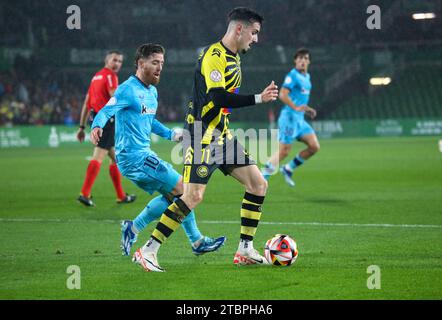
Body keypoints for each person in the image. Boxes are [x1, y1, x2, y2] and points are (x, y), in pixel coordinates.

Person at [133, 7, 279, 272]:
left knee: (258, 184)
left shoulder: (234, 58)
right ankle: (148, 250)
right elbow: (218, 97)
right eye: (254, 32)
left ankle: (245, 249)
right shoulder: (214, 56)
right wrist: (259, 98)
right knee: (193, 196)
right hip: (202, 137)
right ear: (239, 29)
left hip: (223, 136)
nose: (256, 39)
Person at [90, 43, 226, 257]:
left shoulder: (152, 91)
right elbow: (107, 110)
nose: (160, 67)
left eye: (162, 63)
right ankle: (195, 241)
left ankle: (134, 228)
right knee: (184, 189)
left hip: (144, 155)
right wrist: (96, 125)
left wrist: (171, 135)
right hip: (132, 158)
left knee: (177, 195)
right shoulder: (127, 89)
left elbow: (149, 121)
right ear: (140, 63)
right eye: (155, 62)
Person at [76, 50, 136, 206]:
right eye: (114, 60)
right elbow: (115, 96)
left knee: (115, 157)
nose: (117, 64)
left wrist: (82, 126)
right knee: (99, 156)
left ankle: (121, 196)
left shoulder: (95, 77)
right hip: (107, 122)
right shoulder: (110, 76)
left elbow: (86, 103)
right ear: (107, 60)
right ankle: (84, 193)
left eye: (120, 61)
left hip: (97, 119)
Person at [262, 48, 319, 187]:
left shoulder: (307, 77)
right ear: (295, 61)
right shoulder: (292, 76)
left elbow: (300, 100)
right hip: (289, 118)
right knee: (284, 151)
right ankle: (262, 177)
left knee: (314, 147)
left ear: (309, 61)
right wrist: (295, 107)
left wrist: (306, 109)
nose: (302, 61)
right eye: (300, 58)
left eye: (305, 58)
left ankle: (288, 169)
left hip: (299, 120)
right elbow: (282, 94)